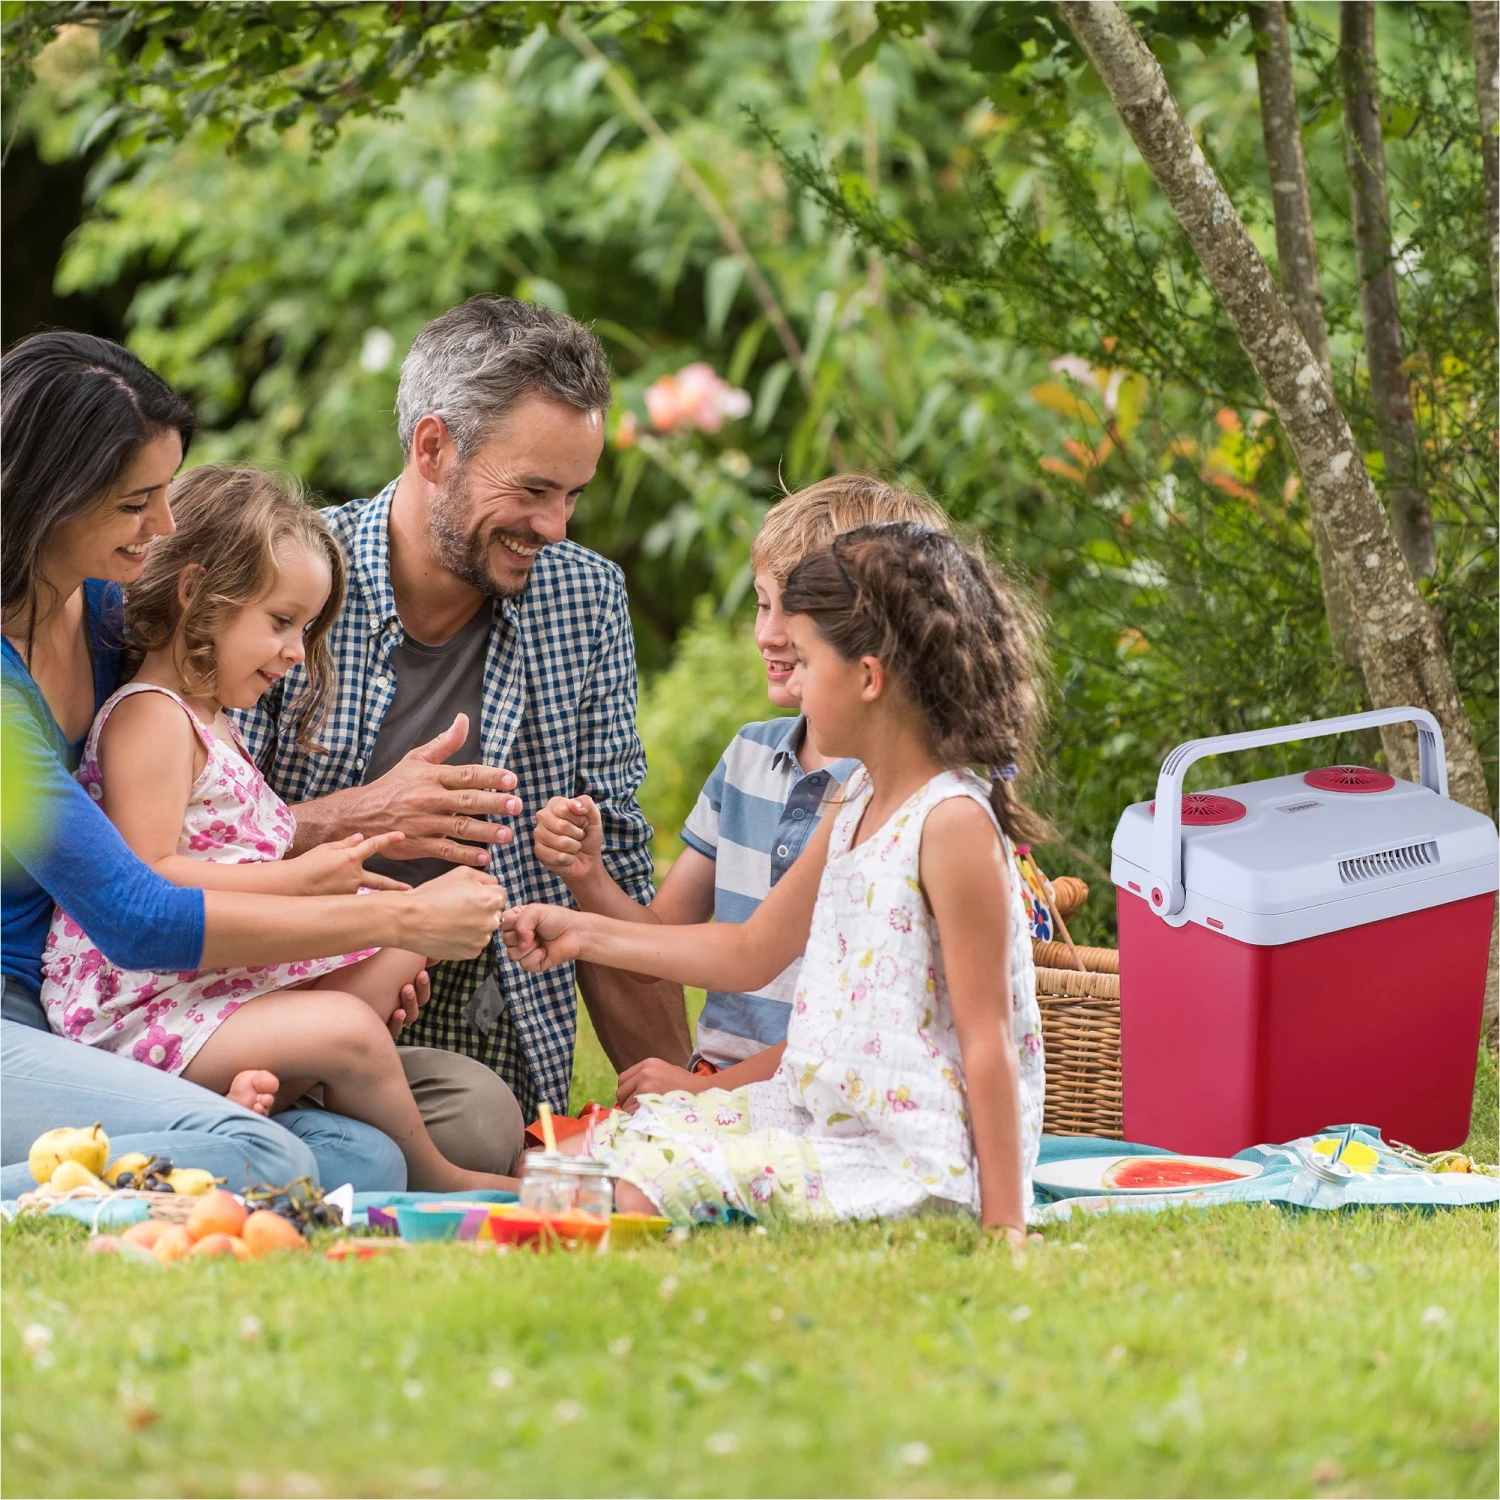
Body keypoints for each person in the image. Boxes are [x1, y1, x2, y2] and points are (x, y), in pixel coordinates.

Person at [1, 332, 517, 1196]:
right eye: (139, 500)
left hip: (98, 1016)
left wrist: (342, 889)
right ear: (53, 496)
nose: (164, 525)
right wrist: (393, 922)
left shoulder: (100, 619)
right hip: (36, 1019)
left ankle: (188, 1122)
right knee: (270, 1159)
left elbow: (194, 823)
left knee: (376, 1156)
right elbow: (139, 914)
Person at [502, 522, 1048, 1241]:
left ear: (868, 677)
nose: (794, 679)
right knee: (560, 1164)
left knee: (609, 1198)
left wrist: (1004, 1222)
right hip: (816, 1111)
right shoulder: (857, 801)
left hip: (907, 1160)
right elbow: (750, 950)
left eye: (809, 659)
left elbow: (988, 1040)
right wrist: (581, 931)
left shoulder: (949, 823)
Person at [236, 296, 688, 1120]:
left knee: (483, 1126)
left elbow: (610, 874)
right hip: (271, 999)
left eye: (574, 496)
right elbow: (194, 847)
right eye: (533, 489)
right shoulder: (281, 583)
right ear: (434, 448)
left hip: (478, 1024)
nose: (554, 526)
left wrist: (687, 1113)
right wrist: (364, 816)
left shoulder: (585, 599)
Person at [531, 476, 949, 1104]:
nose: (770, 635)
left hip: (819, 1090)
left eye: (796, 615)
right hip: (721, 1083)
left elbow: (851, 1028)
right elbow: (664, 945)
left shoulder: (888, 797)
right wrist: (587, 876)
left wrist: (711, 1093)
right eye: (762, 604)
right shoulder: (749, 758)